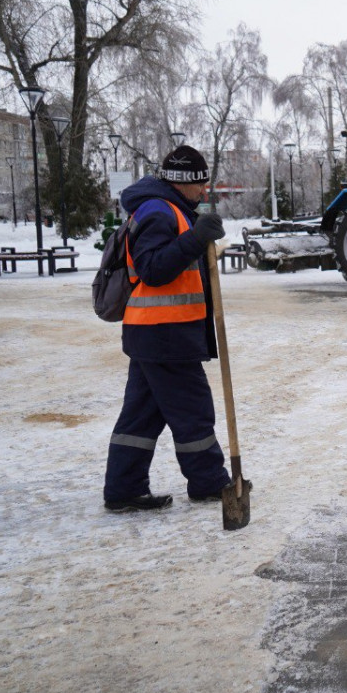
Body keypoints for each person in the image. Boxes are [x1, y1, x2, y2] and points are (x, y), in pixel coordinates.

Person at [104, 145, 232, 512]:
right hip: (165, 333)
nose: (205, 191)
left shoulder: (168, 209)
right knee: (193, 410)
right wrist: (195, 238)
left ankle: (124, 489)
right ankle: (210, 483)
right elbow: (153, 268)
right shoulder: (158, 211)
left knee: (140, 416)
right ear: (184, 182)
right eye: (201, 184)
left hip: (155, 332)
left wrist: (199, 236)